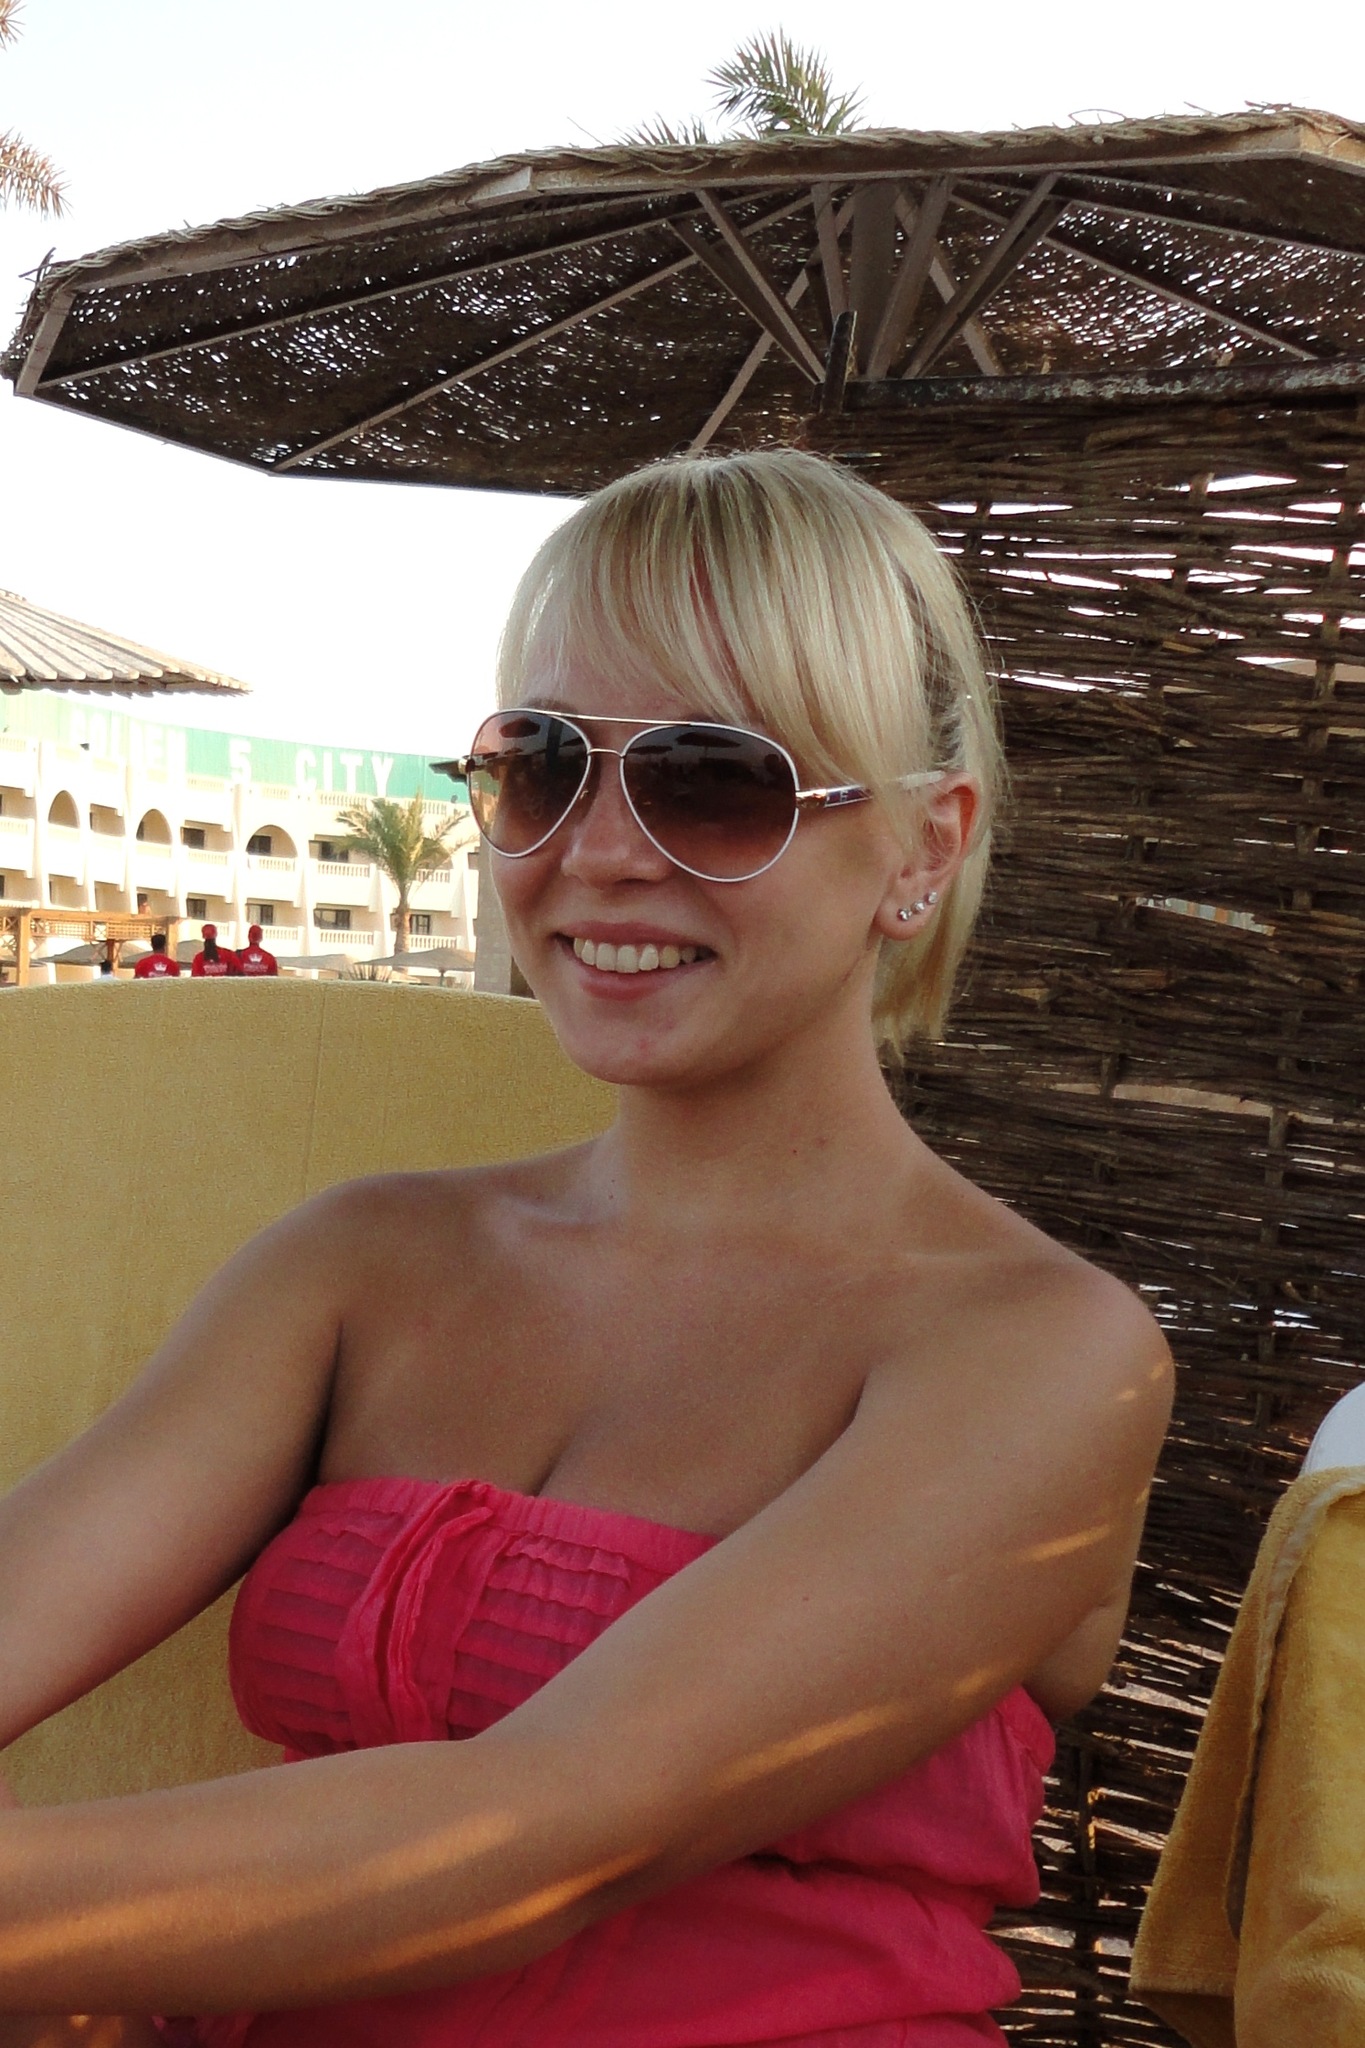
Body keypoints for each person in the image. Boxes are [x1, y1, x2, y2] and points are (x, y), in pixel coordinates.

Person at [0, 451, 1172, 2048]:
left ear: (921, 846)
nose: (598, 851)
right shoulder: (364, 1264)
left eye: (714, 780)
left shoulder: (1037, 1352)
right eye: (542, 767)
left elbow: (553, 1827)